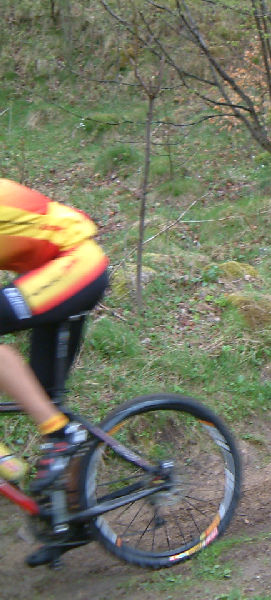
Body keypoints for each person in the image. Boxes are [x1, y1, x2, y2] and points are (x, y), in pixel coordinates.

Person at [0, 178, 109, 493]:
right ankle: (71, 519)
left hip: (76, 263)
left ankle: (62, 435)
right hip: (47, 275)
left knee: (52, 421)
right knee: (44, 399)